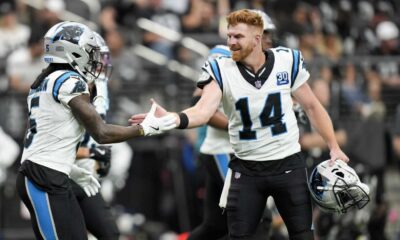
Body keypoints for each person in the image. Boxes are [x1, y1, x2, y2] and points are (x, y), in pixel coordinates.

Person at [131, 9, 348, 240]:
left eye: (238, 37)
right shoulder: (221, 66)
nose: (232, 42)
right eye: (229, 36)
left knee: (302, 235)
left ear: (258, 38)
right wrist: (171, 118)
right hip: (244, 167)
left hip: (288, 164)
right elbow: (202, 110)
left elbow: (313, 106)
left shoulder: (286, 60)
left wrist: (333, 146)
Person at [15, 21, 175, 240]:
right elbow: (102, 133)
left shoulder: (46, 80)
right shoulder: (69, 81)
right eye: (89, 51)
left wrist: (68, 166)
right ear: (73, 52)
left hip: (51, 172)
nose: (94, 58)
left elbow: (51, 137)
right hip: (43, 176)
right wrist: (144, 128)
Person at [188, 10, 277, 240]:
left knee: (215, 226)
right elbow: (198, 102)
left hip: (241, 151)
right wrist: (239, 125)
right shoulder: (223, 54)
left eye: (269, 34)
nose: (267, 40)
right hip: (223, 151)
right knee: (257, 215)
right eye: (264, 33)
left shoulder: (268, 63)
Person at [70, 32, 120, 240]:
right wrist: (91, 152)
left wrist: (95, 157)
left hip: (84, 174)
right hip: (60, 174)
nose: (101, 64)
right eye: (95, 58)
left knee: (109, 233)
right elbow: (49, 146)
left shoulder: (99, 88)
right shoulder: (67, 88)